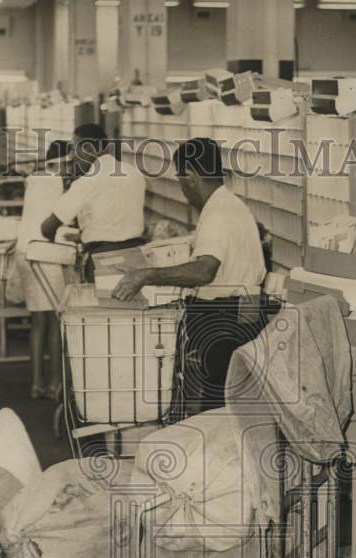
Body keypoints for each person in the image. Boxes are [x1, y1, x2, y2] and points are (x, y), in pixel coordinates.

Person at [112, 137, 266, 413]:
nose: (182, 189)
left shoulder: (218, 213)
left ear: (191, 177)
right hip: (244, 309)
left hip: (225, 317)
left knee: (217, 402)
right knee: (227, 396)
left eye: (181, 180)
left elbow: (205, 270)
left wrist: (145, 276)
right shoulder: (230, 205)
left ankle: (212, 451)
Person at [39, 123, 146, 282]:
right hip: (137, 258)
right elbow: (116, 218)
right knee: (133, 305)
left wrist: (50, 237)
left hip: (102, 262)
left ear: (87, 149)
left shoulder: (87, 182)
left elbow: (48, 227)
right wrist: (85, 235)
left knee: (104, 306)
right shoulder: (134, 173)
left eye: (74, 149)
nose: (72, 156)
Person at [14, 141, 76, 401]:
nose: (72, 168)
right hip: (46, 253)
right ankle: (55, 384)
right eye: (70, 163)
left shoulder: (34, 179)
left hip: (25, 252)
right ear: (62, 161)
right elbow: (61, 223)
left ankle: (36, 383)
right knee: (54, 320)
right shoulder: (59, 184)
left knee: (38, 321)